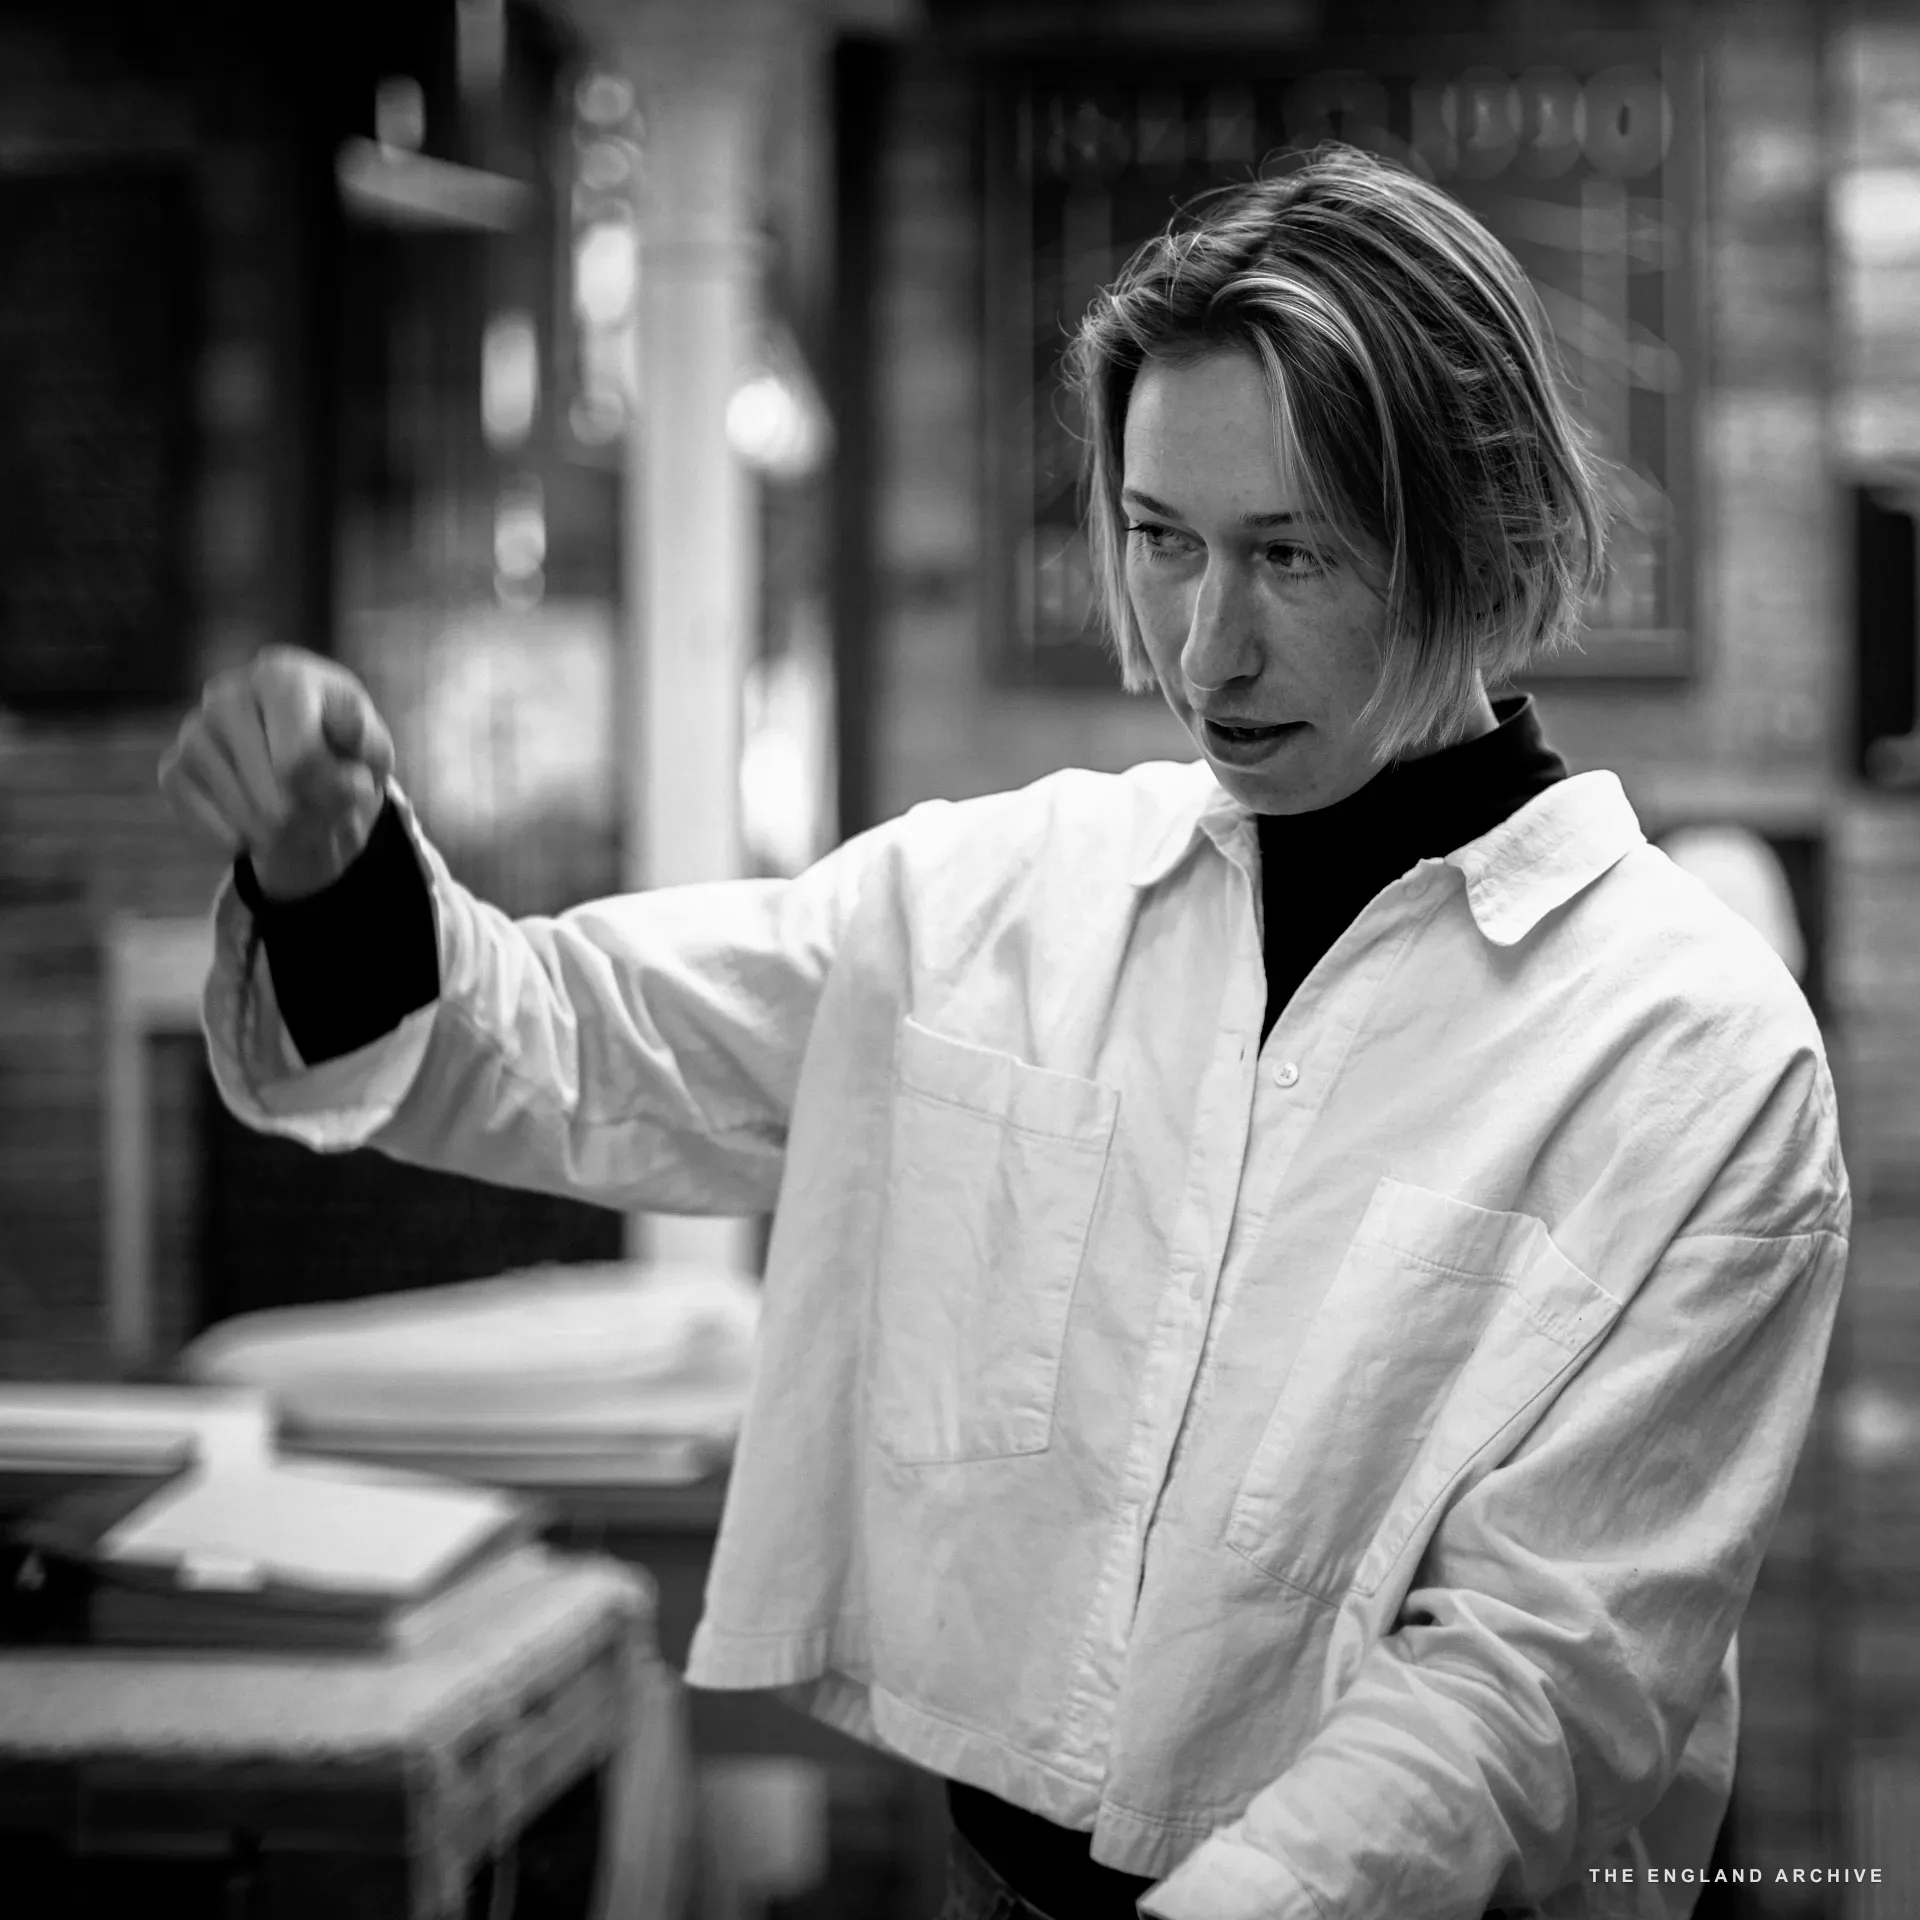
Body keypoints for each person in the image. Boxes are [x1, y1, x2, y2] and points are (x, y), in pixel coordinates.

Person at [160, 149, 1848, 1920]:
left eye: (1291, 554)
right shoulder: (1009, 899)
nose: (1209, 646)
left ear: (1479, 541)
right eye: (1160, 539)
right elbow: (569, 1041)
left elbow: (1534, 1686)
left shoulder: (1692, 1058)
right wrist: (326, 869)